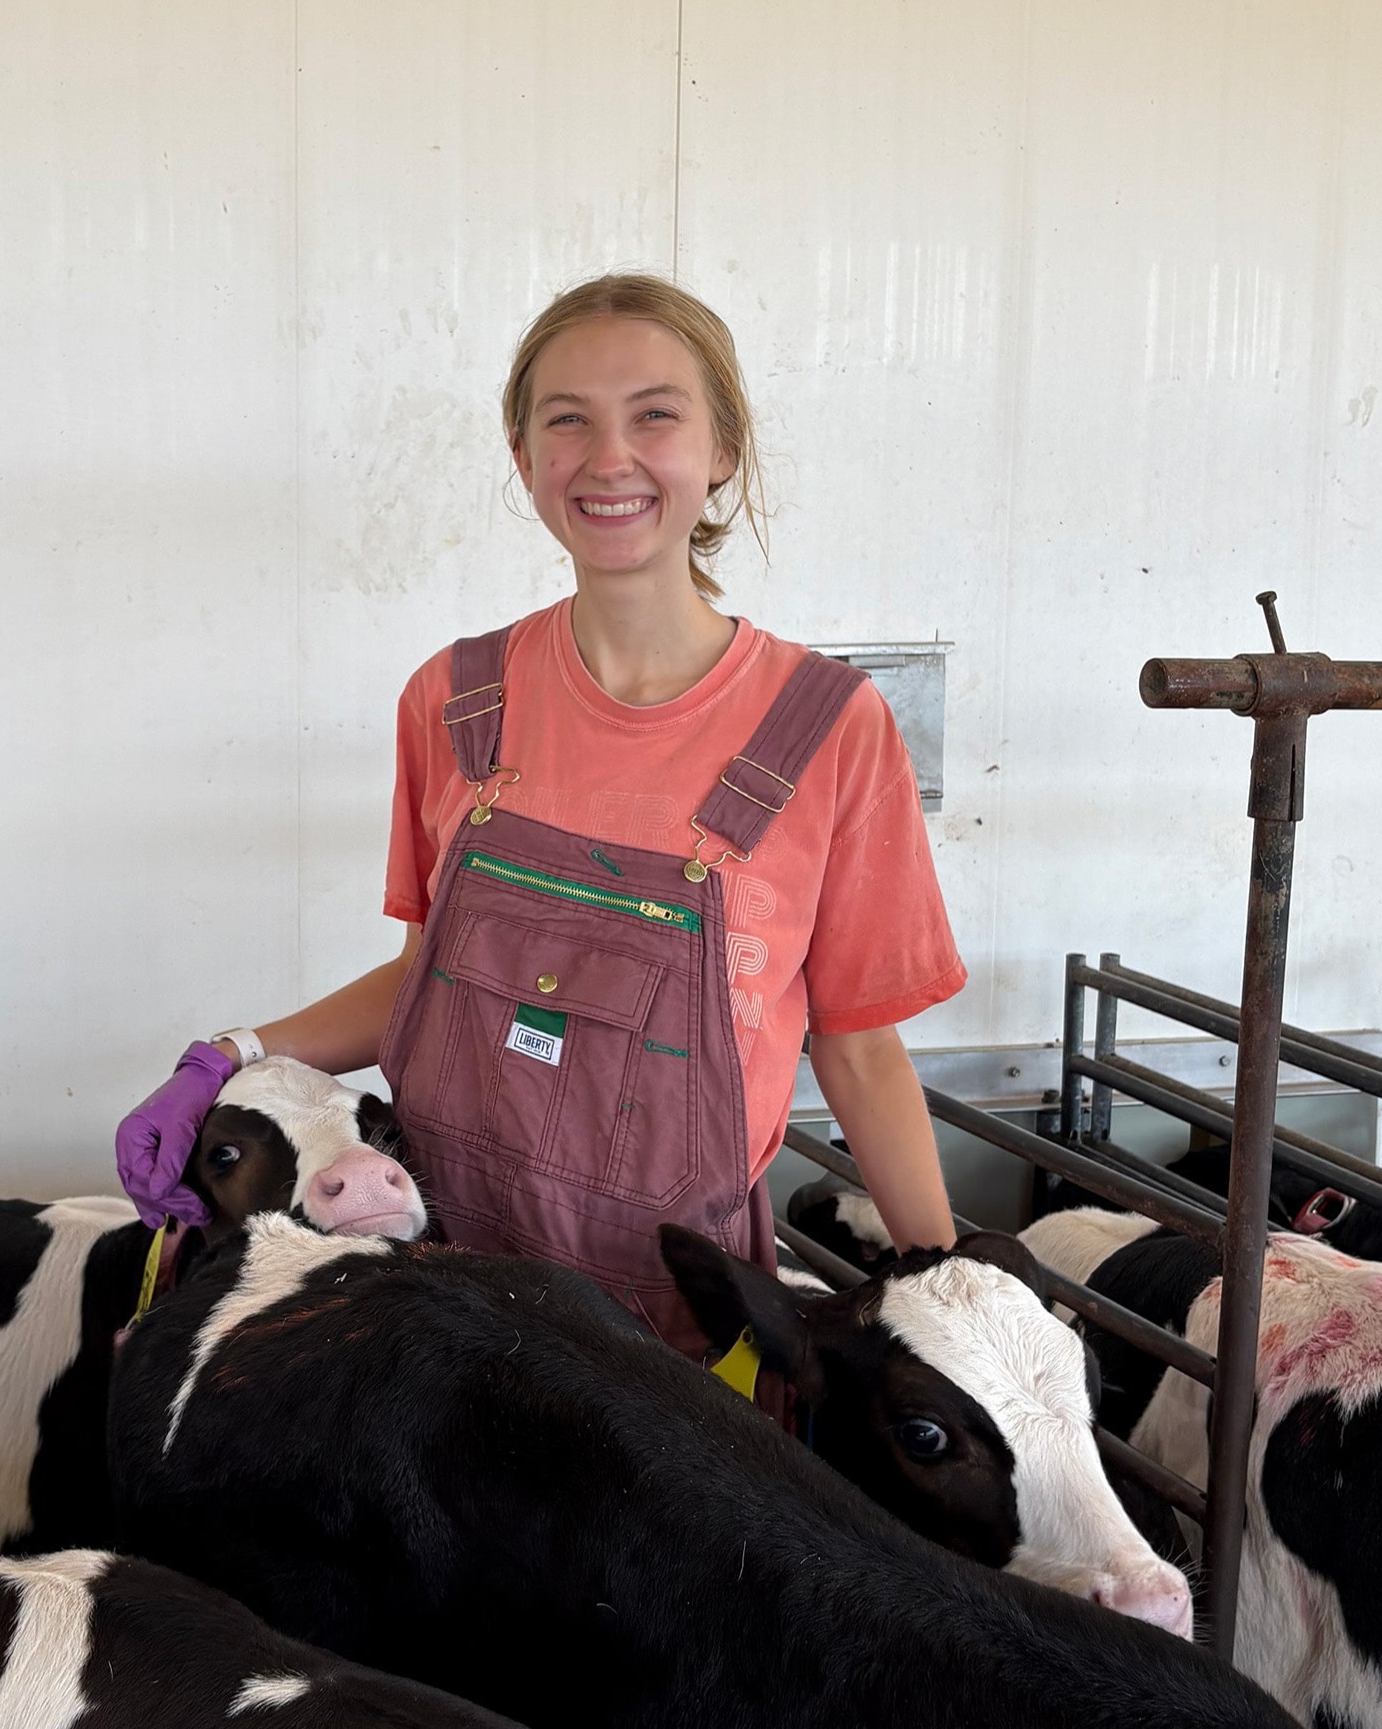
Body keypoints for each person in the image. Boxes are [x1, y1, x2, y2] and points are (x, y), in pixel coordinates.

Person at [117, 273, 965, 1351]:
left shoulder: (828, 730)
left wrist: (944, 1278)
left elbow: (858, 1052)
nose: (608, 458)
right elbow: (427, 982)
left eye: (654, 414)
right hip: (435, 1292)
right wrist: (232, 1053)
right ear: (524, 460)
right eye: (566, 420)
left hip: (668, 1342)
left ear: (721, 452)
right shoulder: (455, 702)